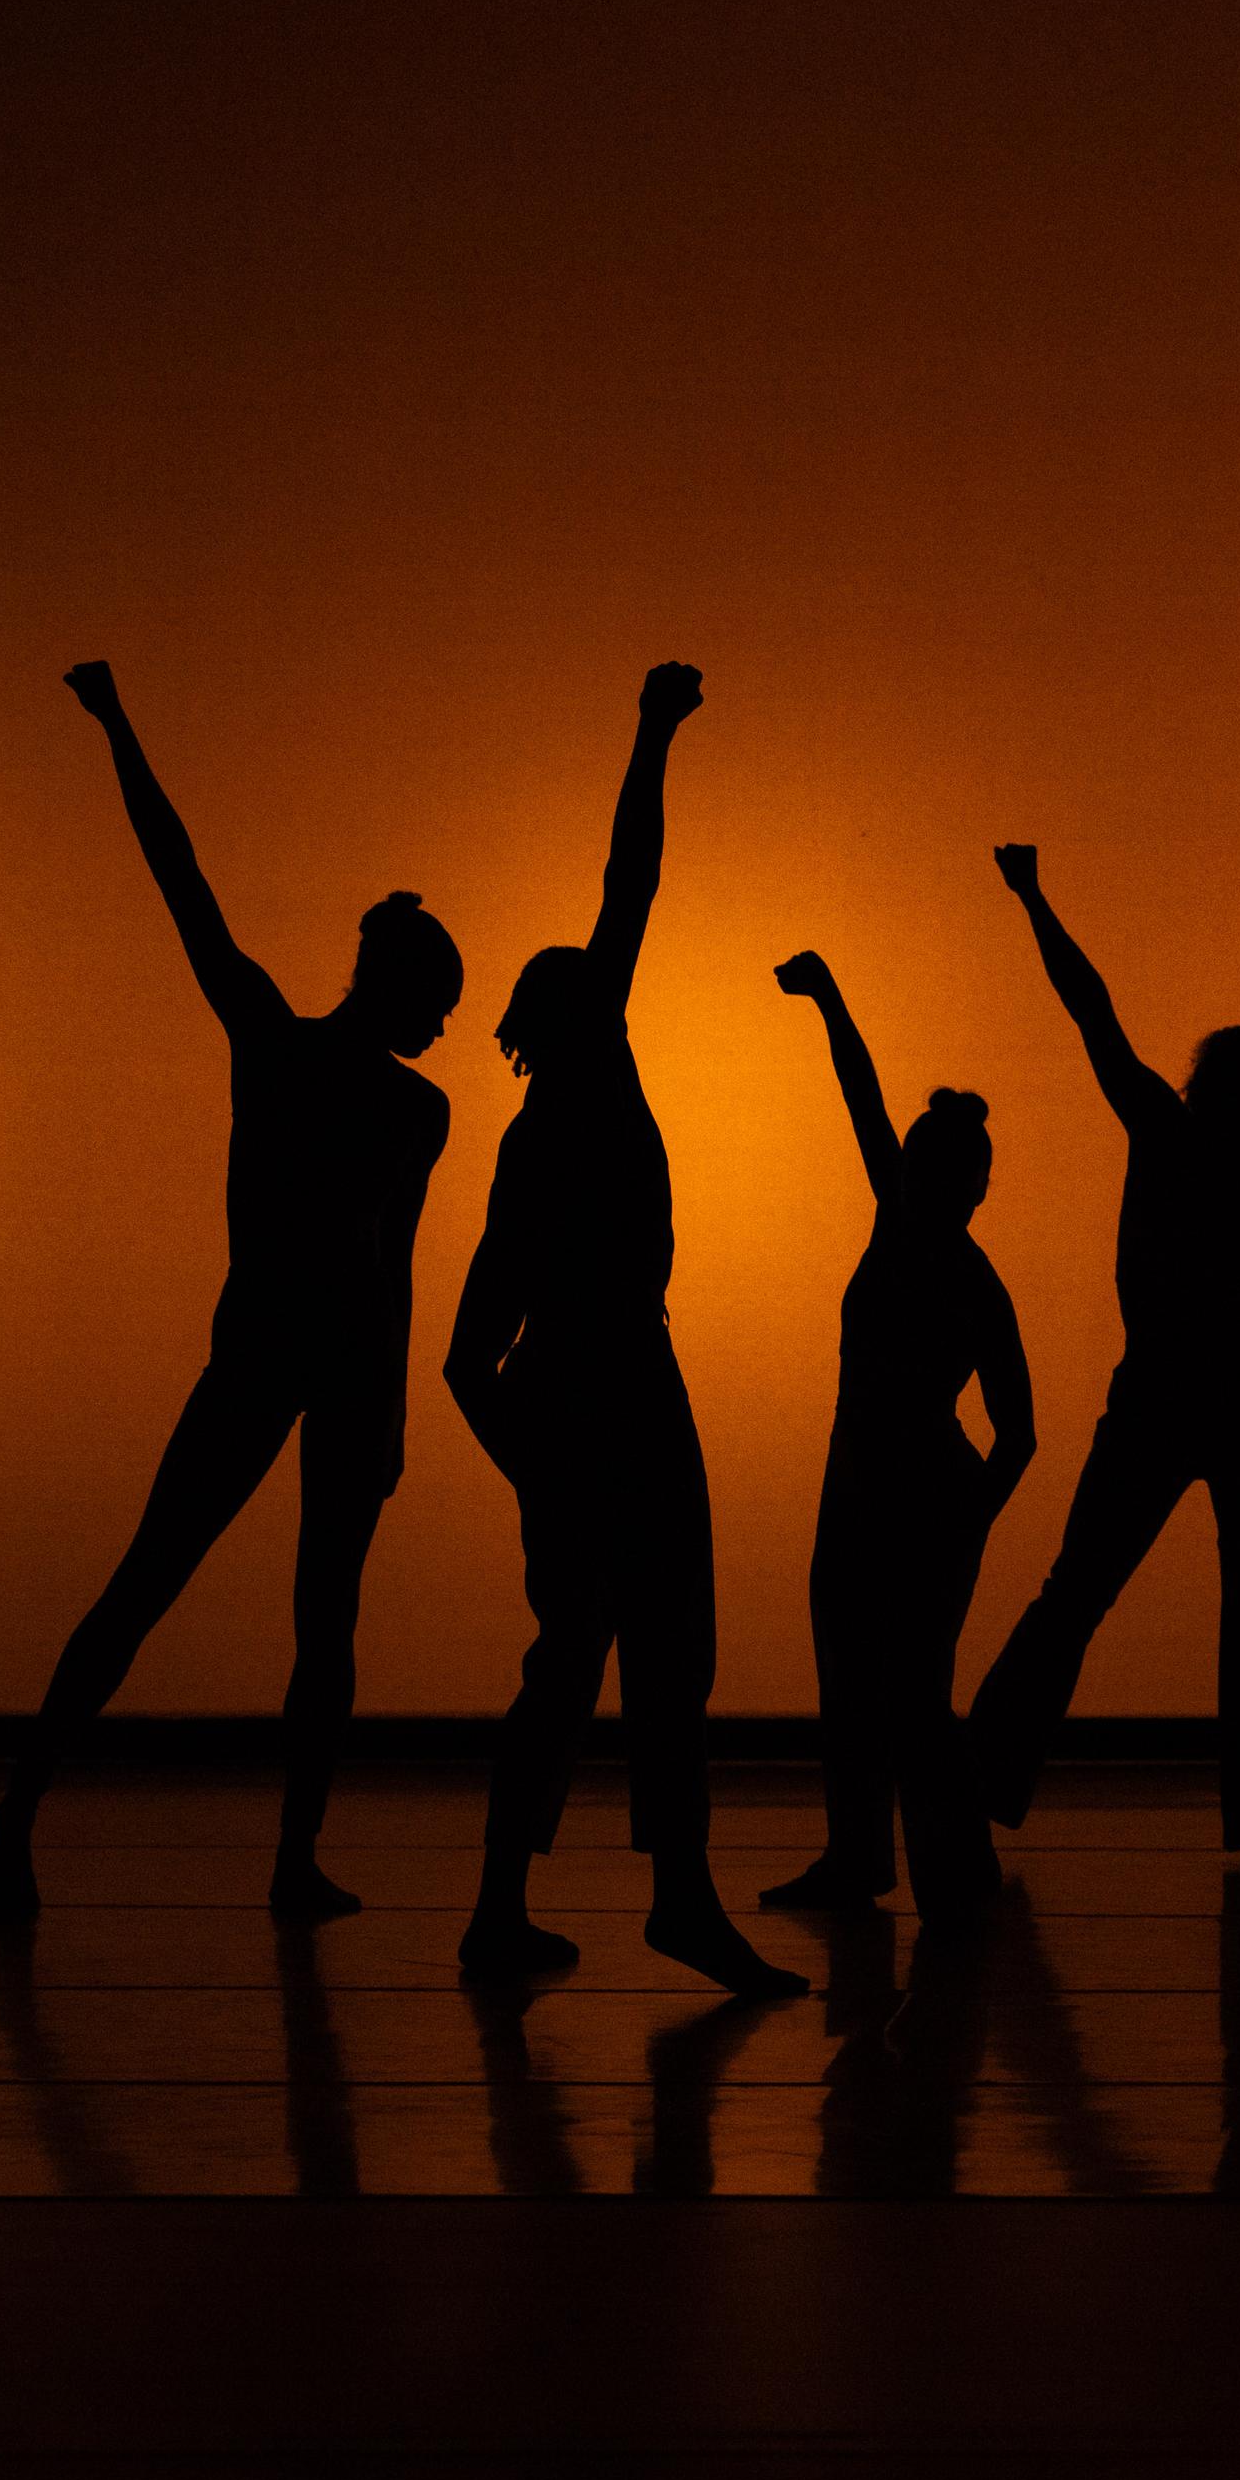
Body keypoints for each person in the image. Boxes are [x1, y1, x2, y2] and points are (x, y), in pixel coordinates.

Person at [0, 661, 460, 1923]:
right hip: (272, 1359)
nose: (444, 1030)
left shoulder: (403, 1101)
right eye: (440, 1005)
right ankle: (21, 1814)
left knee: (309, 1619)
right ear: (399, 987)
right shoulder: (295, 1052)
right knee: (159, 1582)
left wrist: (395, 1411)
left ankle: (286, 1855)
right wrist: (119, 728)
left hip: (331, 1368)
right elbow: (178, 876)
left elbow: (397, 1265)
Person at [444, 661, 801, 1997]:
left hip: (623, 1383)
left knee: (655, 1655)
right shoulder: (546, 1140)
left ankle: (661, 1901)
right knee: (594, 1657)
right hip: (601, 1391)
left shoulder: (575, 1106)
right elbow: (465, 1351)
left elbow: (629, 890)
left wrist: (654, 733)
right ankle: (521, 1905)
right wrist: (651, 728)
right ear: (560, 1030)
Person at [962, 847, 1240, 1872]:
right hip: (1219, 1401)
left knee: (1093, 1592)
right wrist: (1036, 901)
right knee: (1230, 1617)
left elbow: (1092, 1016)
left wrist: (1034, 898)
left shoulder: (1184, 1147)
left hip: (1185, 1397)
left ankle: (982, 1786)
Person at [763, 951, 1035, 1916]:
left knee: (913, 1692)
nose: (912, 1173)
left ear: (969, 1186)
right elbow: (860, 1093)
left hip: (916, 1489)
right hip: (866, 1482)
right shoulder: (903, 1225)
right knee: (853, 1679)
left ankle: (955, 1878)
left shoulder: (971, 1280)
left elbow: (1021, 1430)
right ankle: (861, 1858)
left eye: (933, 1167)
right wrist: (831, 997)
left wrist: (972, 1516)